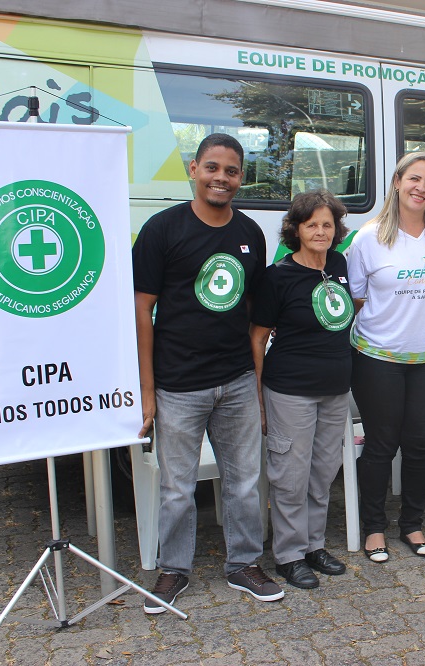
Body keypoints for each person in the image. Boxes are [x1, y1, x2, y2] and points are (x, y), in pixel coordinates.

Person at [133, 133, 282, 614]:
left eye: (232, 170)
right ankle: (173, 570)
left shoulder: (251, 233)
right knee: (177, 487)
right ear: (194, 169)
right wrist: (147, 390)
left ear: (242, 177)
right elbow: (142, 310)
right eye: (212, 167)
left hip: (236, 378)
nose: (222, 178)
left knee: (243, 482)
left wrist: (256, 384)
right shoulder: (162, 229)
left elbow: (257, 308)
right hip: (178, 383)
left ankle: (243, 564)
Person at [347, 152, 425, 562]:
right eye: (414, 178)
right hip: (378, 357)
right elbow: (356, 298)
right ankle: (374, 528)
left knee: (418, 443)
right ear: (396, 182)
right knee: (380, 444)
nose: (421, 188)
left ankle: (412, 524)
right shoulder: (368, 238)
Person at [251, 190, 353, 588]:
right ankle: (289, 555)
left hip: (335, 387)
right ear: (296, 229)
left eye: (328, 224)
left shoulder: (340, 264)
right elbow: (257, 337)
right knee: (290, 475)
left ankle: (313, 545)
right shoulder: (277, 276)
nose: (321, 231)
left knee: (323, 473)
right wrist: (259, 396)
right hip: (290, 389)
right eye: (312, 225)